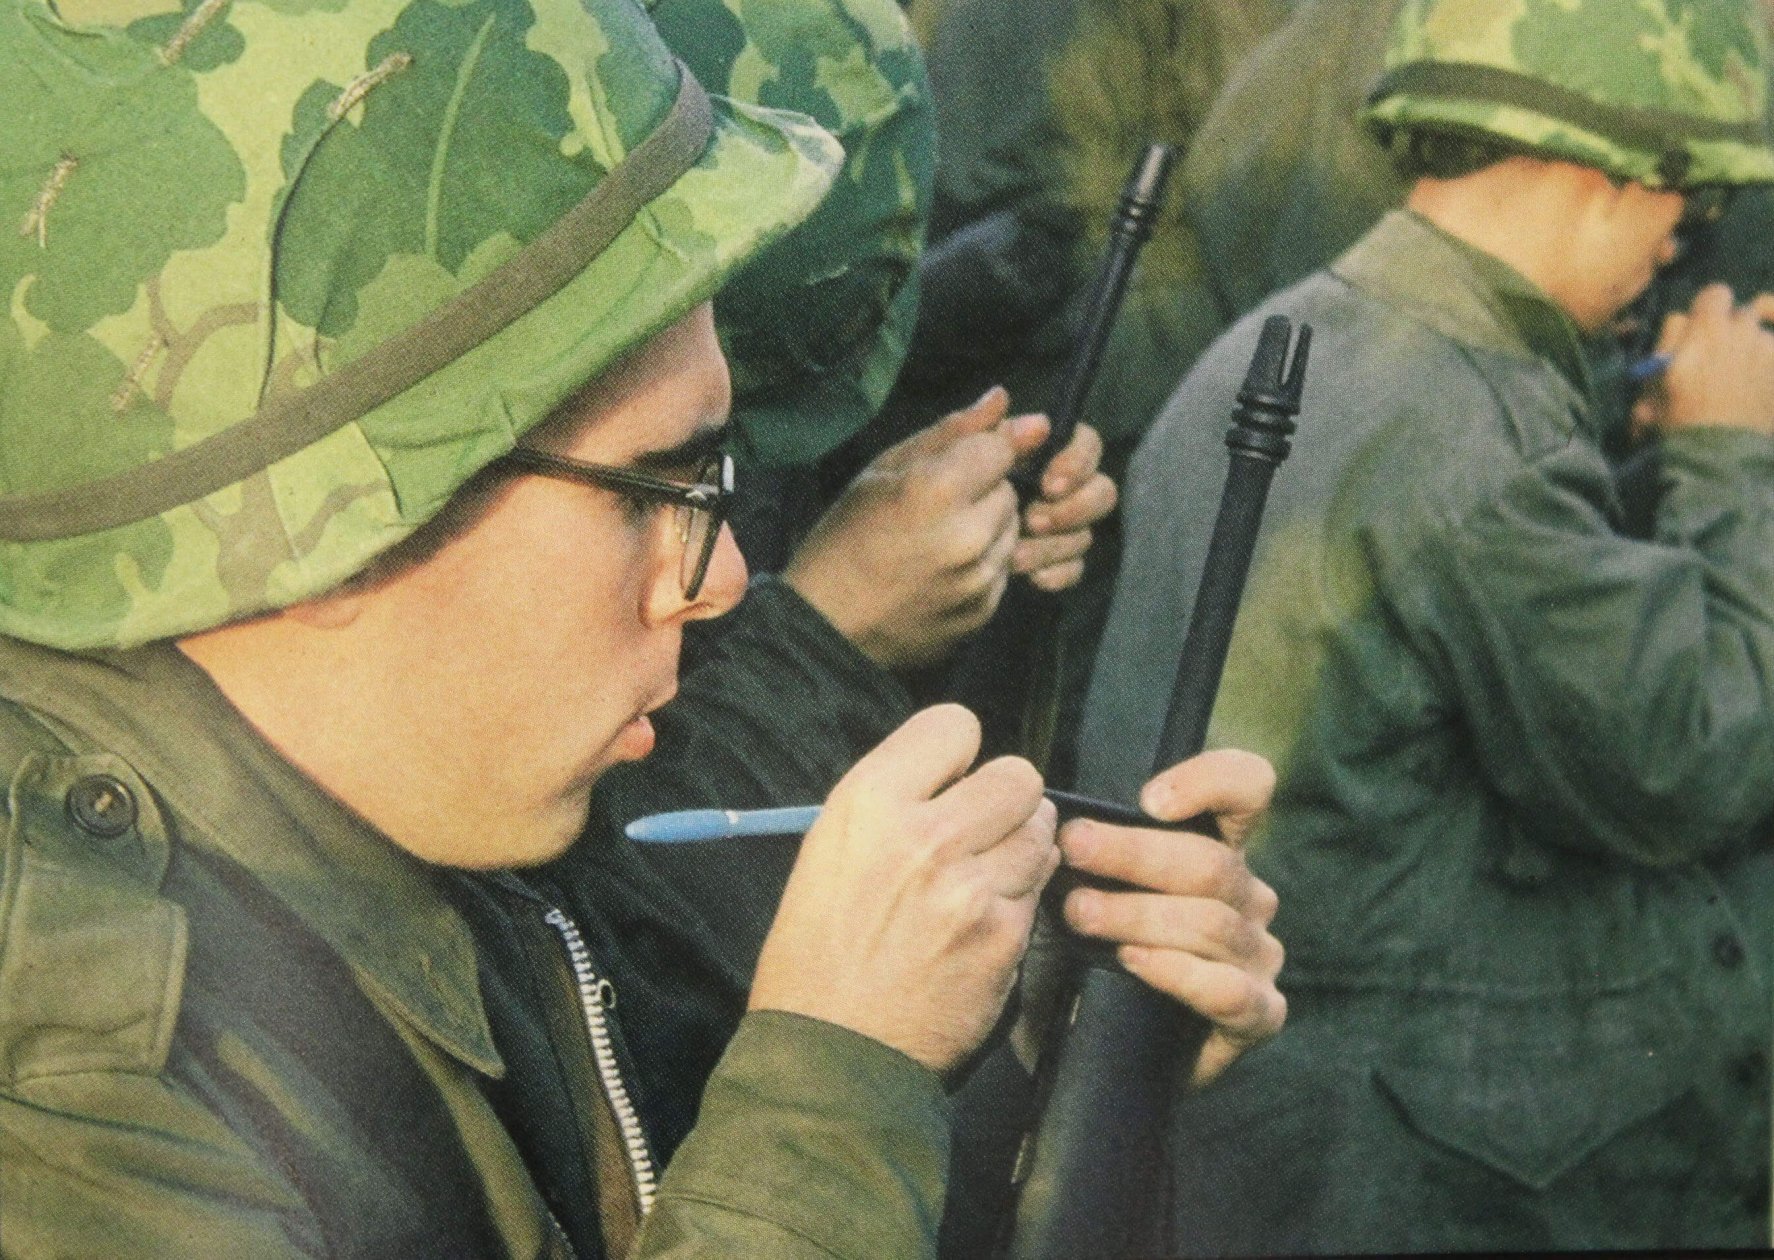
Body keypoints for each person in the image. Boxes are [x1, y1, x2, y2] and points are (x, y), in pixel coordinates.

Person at [0, 1, 1285, 1256]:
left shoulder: (411, 836)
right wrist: (837, 1075)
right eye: (665, 492)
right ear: (333, 512)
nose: (725, 576)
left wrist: (1039, 1060)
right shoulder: (68, 1068)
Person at [1078, 0, 1774, 1253]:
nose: (1680, 248)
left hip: (1268, 1087)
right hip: (1408, 1137)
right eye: (1688, 207)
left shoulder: (1304, 328)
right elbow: (1695, 759)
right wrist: (1731, 453)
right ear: (1601, 174)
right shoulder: (1468, 433)